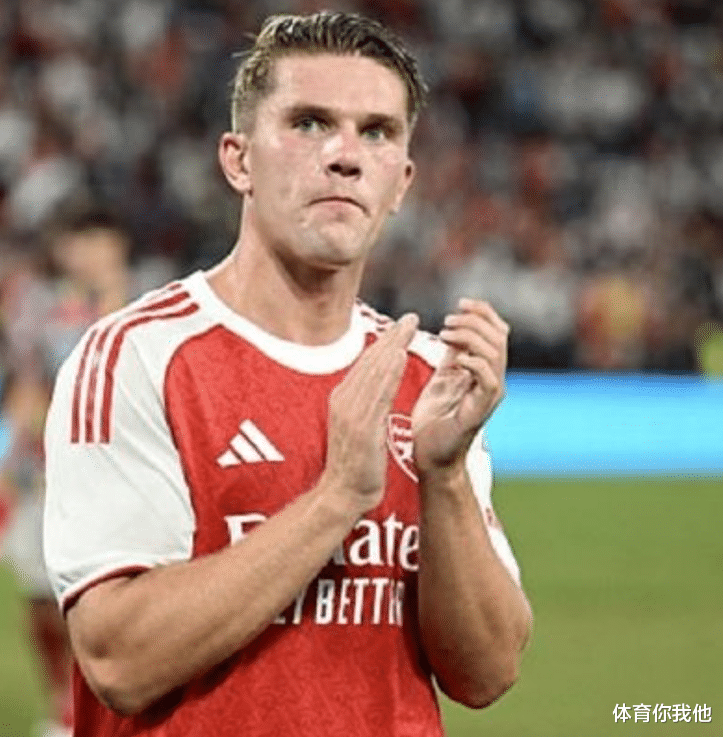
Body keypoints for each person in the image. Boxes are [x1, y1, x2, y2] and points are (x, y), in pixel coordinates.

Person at [43, 11, 533, 737]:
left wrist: (445, 477)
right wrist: (337, 498)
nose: (345, 156)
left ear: (401, 182)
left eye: (377, 132)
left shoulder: (429, 378)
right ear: (238, 161)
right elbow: (119, 660)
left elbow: (487, 673)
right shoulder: (137, 358)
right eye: (309, 123)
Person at [1, 205, 138, 737]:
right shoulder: (49, 318)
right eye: (78, 242)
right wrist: (11, 456)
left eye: (97, 240)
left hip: (116, 483)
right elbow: (28, 388)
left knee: (99, 602)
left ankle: (86, 711)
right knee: (39, 603)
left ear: (118, 246)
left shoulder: (149, 310)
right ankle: (62, 701)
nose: (86, 254)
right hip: (46, 479)